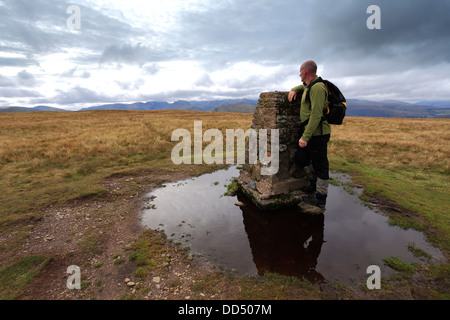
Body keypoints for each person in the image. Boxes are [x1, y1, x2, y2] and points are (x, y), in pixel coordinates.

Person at [288, 60, 330, 210]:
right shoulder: (310, 86)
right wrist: (294, 89)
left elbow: (316, 115)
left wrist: (305, 137)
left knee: (321, 165)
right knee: (301, 157)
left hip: (318, 133)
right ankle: (314, 184)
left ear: (305, 72)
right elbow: (303, 86)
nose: (299, 74)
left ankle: (320, 198)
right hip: (310, 131)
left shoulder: (318, 88)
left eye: (300, 71)